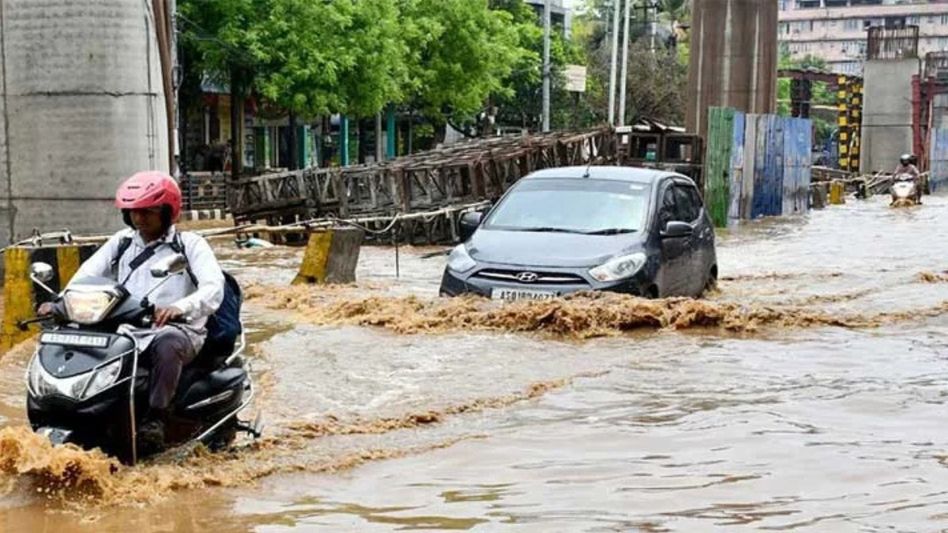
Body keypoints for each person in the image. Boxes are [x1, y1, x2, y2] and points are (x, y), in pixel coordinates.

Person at [39, 171, 225, 449]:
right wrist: (61, 302)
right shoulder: (122, 242)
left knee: (167, 343)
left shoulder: (191, 245)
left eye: (148, 212)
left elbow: (213, 287)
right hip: (125, 327)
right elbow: (87, 274)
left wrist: (178, 307)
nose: (140, 219)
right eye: (134, 212)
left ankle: (156, 419)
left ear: (167, 212)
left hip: (178, 329)